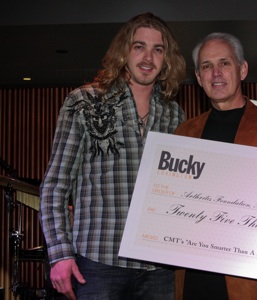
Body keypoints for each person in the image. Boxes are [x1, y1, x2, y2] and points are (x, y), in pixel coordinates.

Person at [39, 12, 186, 300]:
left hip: (160, 268)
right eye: (139, 46)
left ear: (167, 59)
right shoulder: (83, 102)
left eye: (158, 49)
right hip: (99, 262)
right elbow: (55, 185)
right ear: (123, 51)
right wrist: (59, 255)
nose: (148, 57)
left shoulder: (174, 114)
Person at [174, 32, 257, 299]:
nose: (216, 73)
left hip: (254, 284)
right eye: (206, 66)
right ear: (199, 79)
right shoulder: (183, 134)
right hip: (194, 281)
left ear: (243, 69)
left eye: (224, 63)